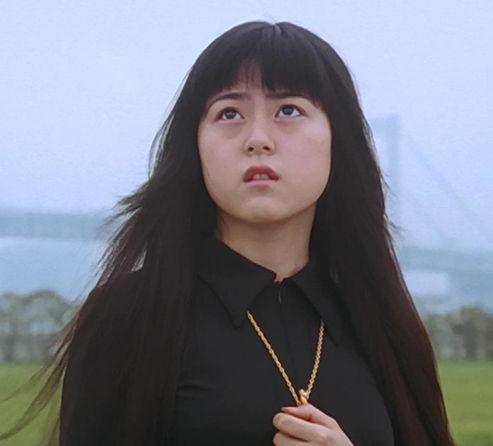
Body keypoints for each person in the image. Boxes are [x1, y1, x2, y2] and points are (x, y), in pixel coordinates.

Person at [0, 20, 456, 446]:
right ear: (194, 145)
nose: (258, 138)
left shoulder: (382, 323)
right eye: (229, 113)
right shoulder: (128, 318)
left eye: (289, 110)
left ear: (340, 140)